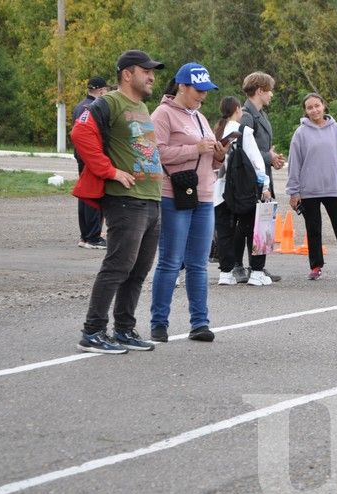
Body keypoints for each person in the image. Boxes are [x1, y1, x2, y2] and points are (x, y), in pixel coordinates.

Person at [70, 49, 165, 354]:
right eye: (146, 71)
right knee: (118, 266)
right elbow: (81, 132)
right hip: (125, 199)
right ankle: (93, 331)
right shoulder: (109, 102)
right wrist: (108, 170)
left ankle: (124, 330)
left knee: (138, 270)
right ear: (127, 74)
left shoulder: (142, 105)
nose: (151, 76)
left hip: (150, 199)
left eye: (153, 72)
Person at [149, 63, 225, 343]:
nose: (202, 95)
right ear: (182, 86)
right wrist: (195, 149)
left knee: (198, 263)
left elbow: (209, 158)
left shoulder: (201, 118)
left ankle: (200, 322)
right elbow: (155, 154)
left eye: (206, 90)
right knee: (170, 261)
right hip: (174, 194)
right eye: (198, 89)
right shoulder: (163, 114)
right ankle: (159, 322)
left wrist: (219, 154)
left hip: (204, 194)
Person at [286, 93, 337, 280]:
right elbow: (294, 164)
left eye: (317, 105)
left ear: (324, 106)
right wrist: (294, 192)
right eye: (310, 108)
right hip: (309, 191)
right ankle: (316, 266)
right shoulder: (300, 133)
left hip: (334, 188)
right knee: (313, 230)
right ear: (305, 111)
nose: (314, 110)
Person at [212, 96, 271, 285]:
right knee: (254, 229)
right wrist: (265, 185)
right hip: (244, 191)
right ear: (238, 109)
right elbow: (256, 161)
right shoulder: (243, 131)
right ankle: (256, 272)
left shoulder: (216, 132)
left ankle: (226, 273)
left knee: (225, 232)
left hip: (219, 191)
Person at [239, 71, 284, 285]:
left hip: (263, 173)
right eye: (269, 91)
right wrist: (269, 156)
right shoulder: (247, 114)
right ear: (260, 91)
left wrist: (271, 157)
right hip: (252, 179)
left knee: (261, 222)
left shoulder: (260, 113)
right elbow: (245, 149)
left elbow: (259, 147)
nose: (271, 95)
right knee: (253, 223)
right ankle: (253, 267)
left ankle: (258, 266)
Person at [72, 76, 110, 250]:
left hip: (82, 158)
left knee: (85, 196)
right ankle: (92, 236)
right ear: (102, 91)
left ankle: (85, 235)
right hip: (90, 159)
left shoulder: (79, 106)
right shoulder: (92, 108)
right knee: (93, 196)